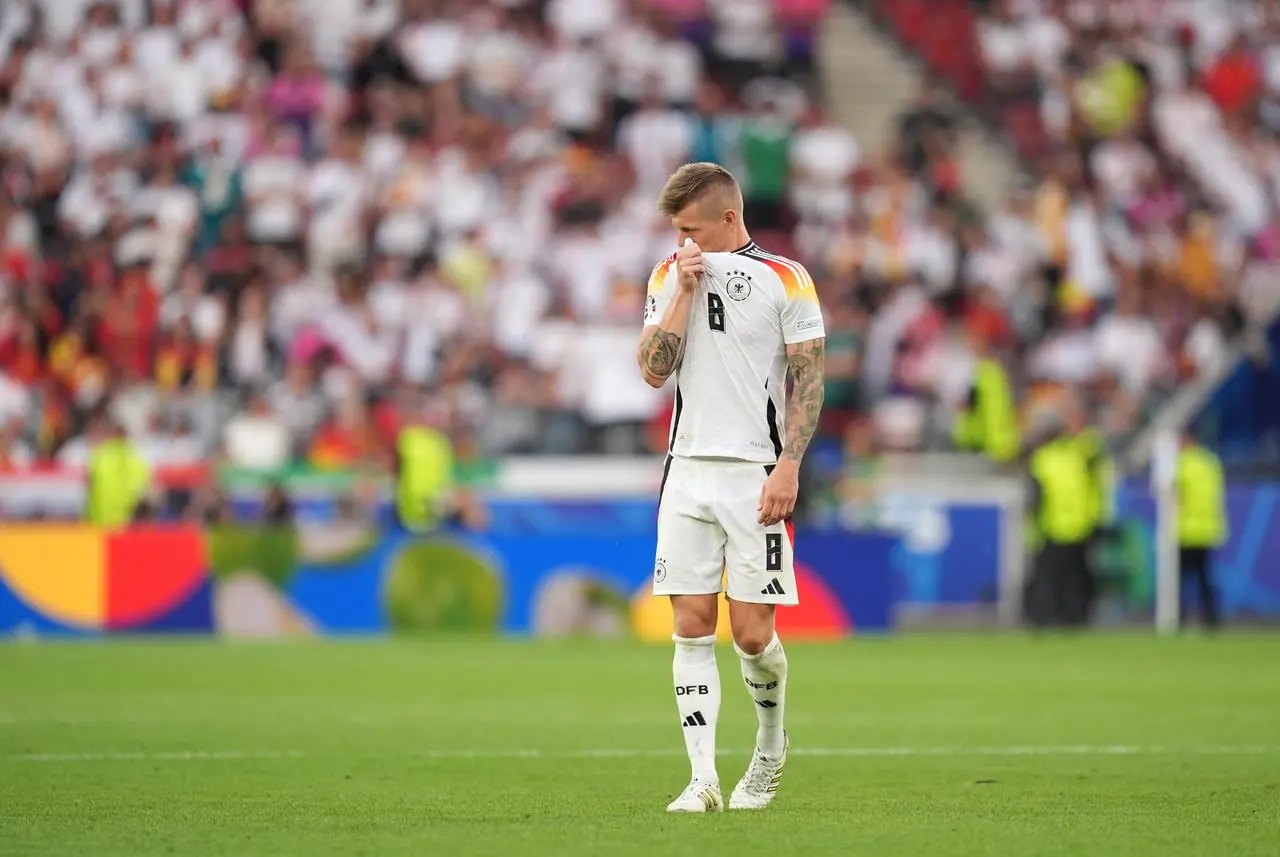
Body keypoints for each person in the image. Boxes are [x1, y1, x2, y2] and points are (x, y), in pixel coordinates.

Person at [636, 162, 826, 813]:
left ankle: (771, 746)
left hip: (755, 475)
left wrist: (789, 466)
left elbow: (810, 380)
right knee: (690, 625)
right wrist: (683, 294)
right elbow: (652, 372)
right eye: (674, 230)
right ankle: (702, 778)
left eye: (691, 228)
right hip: (687, 472)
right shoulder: (668, 274)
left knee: (750, 634)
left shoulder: (786, 277)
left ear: (726, 217)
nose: (682, 240)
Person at [1025, 413, 1094, 627]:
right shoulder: (1076, 457)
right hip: (1080, 525)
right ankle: (1075, 619)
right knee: (1073, 578)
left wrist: (1033, 523)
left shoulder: (1042, 459)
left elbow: (1037, 496)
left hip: (1053, 525)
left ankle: (1042, 619)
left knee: (1047, 577)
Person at [1175, 431, 1227, 629]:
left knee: (1179, 579)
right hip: (1207, 528)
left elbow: (1177, 495)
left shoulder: (1182, 463)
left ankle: (1179, 619)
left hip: (1186, 528)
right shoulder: (1210, 461)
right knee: (1204, 576)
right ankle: (1211, 619)